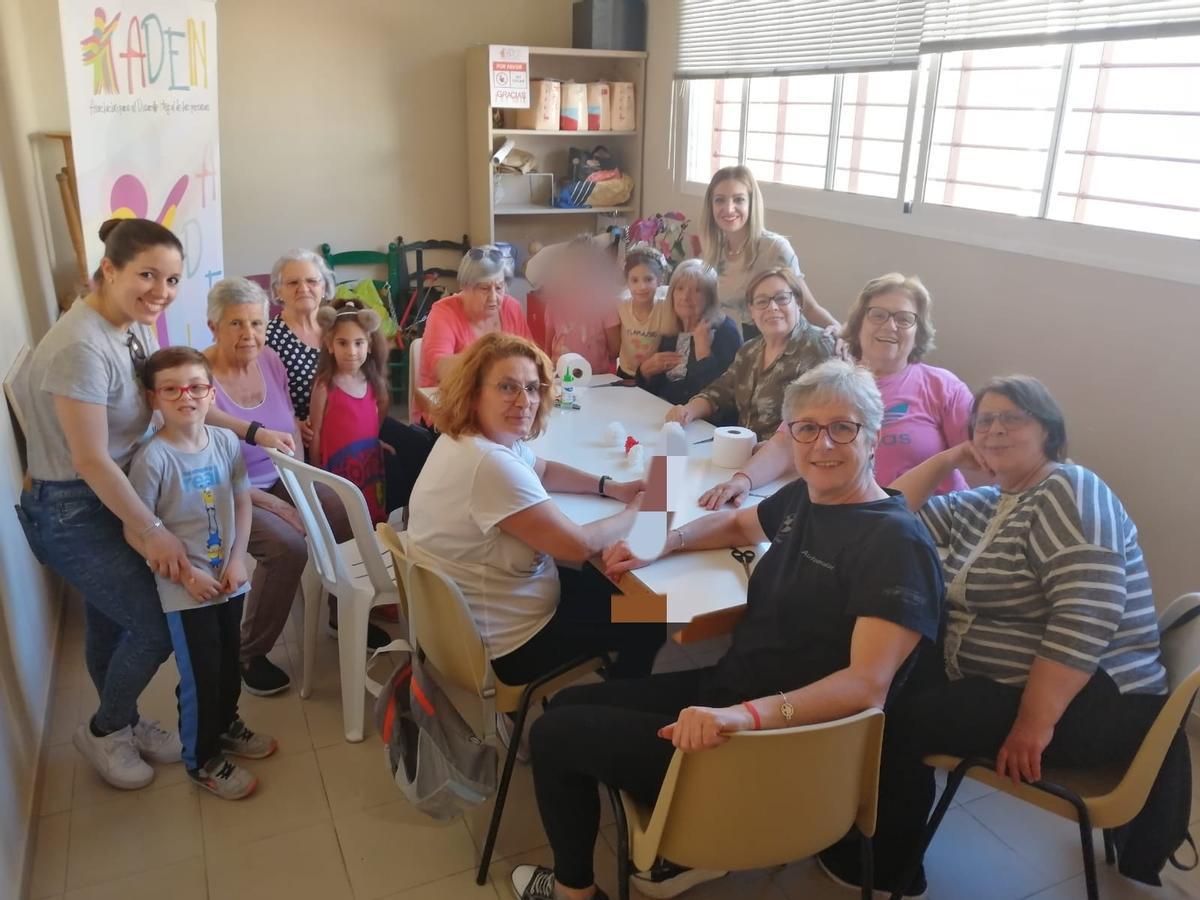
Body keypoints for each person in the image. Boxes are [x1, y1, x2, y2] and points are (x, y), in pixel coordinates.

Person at [509, 360, 944, 900]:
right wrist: (666, 541)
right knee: (567, 708)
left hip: (774, 742)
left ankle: (577, 892)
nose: (822, 444)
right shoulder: (809, 497)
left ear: (873, 437)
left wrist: (743, 716)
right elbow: (740, 523)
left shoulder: (896, 546)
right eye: (806, 428)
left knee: (553, 738)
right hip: (732, 691)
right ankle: (661, 839)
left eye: (843, 428)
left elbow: (866, 686)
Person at [837, 376, 1171, 897]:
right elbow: (888, 516)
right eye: (983, 420)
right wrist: (949, 459)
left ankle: (886, 868)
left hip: (1092, 705)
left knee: (894, 719)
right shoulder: (992, 502)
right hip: (1018, 686)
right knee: (879, 680)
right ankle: (858, 826)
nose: (994, 429)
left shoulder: (1069, 489)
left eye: (1011, 418)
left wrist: (1032, 725)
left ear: (1049, 432)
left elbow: (1086, 614)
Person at [406, 333, 667, 739]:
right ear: (475, 392)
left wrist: (609, 486)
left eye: (531, 387)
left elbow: (541, 468)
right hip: (515, 645)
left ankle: (600, 700)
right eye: (507, 387)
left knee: (615, 591)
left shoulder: (467, 439)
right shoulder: (490, 465)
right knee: (651, 615)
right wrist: (637, 511)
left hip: (473, 623)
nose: (524, 400)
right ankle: (604, 727)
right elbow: (578, 545)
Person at [204, 278, 388, 697]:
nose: (249, 334)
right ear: (213, 326)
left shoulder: (270, 360)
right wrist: (278, 504)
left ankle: (343, 610)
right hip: (232, 491)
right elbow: (203, 464)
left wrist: (303, 478)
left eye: (257, 323)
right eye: (236, 324)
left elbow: (290, 420)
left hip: (285, 476)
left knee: (345, 507)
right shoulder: (200, 377)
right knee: (288, 547)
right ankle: (249, 652)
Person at [127, 347, 277, 800]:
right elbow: (135, 531)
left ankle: (226, 723)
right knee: (202, 674)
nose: (185, 397)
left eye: (195, 387)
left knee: (230, 661)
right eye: (171, 389)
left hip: (230, 578)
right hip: (185, 592)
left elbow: (243, 501)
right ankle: (201, 758)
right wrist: (187, 575)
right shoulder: (152, 460)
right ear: (154, 398)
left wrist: (237, 560)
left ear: (210, 393)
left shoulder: (227, 443)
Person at [700, 273, 974, 509]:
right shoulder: (829, 381)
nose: (890, 325)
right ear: (858, 324)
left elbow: (982, 457)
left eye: (904, 319)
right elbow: (785, 443)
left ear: (918, 331)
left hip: (934, 523)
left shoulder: (942, 386)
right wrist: (742, 480)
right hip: (852, 522)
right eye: (878, 315)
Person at [666, 268, 833, 440]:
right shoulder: (750, 350)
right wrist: (688, 411)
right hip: (741, 450)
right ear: (751, 311)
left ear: (798, 302)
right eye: (762, 302)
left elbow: (819, 422)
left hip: (786, 459)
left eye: (782, 298)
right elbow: (721, 391)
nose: (773, 307)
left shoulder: (818, 347)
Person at [700, 165, 836, 334]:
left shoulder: (774, 248)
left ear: (751, 203)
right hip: (740, 345)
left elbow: (809, 307)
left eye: (739, 199)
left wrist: (844, 336)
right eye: (720, 200)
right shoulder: (716, 252)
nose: (728, 208)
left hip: (780, 341)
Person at [309, 299, 391, 524]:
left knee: (371, 517)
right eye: (343, 343)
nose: (351, 351)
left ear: (370, 345)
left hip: (369, 466)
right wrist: (317, 474)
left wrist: (374, 441)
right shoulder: (324, 385)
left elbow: (376, 415)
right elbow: (315, 433)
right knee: (345, 522)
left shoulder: (374, 383)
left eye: (359, 343)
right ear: (329, 344)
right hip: (337, 471)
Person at [419, 244, 533, 388]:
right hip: (447, 400)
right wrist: (493, 359)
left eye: (499, 288)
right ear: (464, 287)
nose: (493, 297)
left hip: (502, 397)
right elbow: (440, 369)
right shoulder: (443, 312)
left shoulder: (512, 308)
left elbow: (530, 356)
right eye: (484, 288)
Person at [634, 258, 741, 406]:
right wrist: (644, 372)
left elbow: (723, 396)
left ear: (710, 298)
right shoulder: (671, 329)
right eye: (680, 288)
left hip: (704, 423)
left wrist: (703, 351)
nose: (685, 297)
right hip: (665, 414)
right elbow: (655, 390)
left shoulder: (725, 331)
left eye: (697, 290)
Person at [264, 248, 337, 448]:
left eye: (312, 281)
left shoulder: (338, 328)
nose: (303, 288)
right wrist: (291, 422)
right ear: (278, 290)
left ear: (324, 287)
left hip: (344, 427)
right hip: (299, 438)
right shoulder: (267, 337)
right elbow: (261, 396)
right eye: (293, 282)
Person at [537, 234, 622, 376]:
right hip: (562, 376)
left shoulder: (605, 304)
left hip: (596, 377)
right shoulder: (555, 301)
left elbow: (615, 348)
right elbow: (548, 345)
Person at [614, 244, 674, 379]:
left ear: (659, 280)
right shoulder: (621, 305)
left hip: (653, 377)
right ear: (627, 282)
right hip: (624, 374)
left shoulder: (664, 308)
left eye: (648, 279)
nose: (641, 287)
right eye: (634, 280)